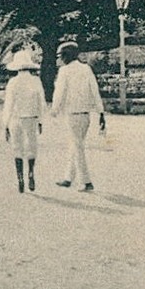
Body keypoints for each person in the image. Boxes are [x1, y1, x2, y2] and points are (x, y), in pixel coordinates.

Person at [51, 38, 106, 192]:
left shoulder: (64, 71)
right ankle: (68, 178)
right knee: (75, 145)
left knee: (77, 147)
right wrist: (100, 112)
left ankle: (86, 181)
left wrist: (54, 110)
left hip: (72, 114)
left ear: (66, 55)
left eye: (61, 55)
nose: (60, 59)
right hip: (85, 115)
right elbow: (95, 91)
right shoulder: (86, 69)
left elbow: (59, 93)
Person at [1, 50, 44, 193]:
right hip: (31, 117)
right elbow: (41, 102)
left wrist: (5, 124)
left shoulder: (13, 82)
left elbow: (8, 104)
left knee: (17, 147)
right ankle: (31, 172)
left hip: (15, 117)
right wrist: (40, 120)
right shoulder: (36, 80)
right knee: (31, 146)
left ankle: (20, 178)